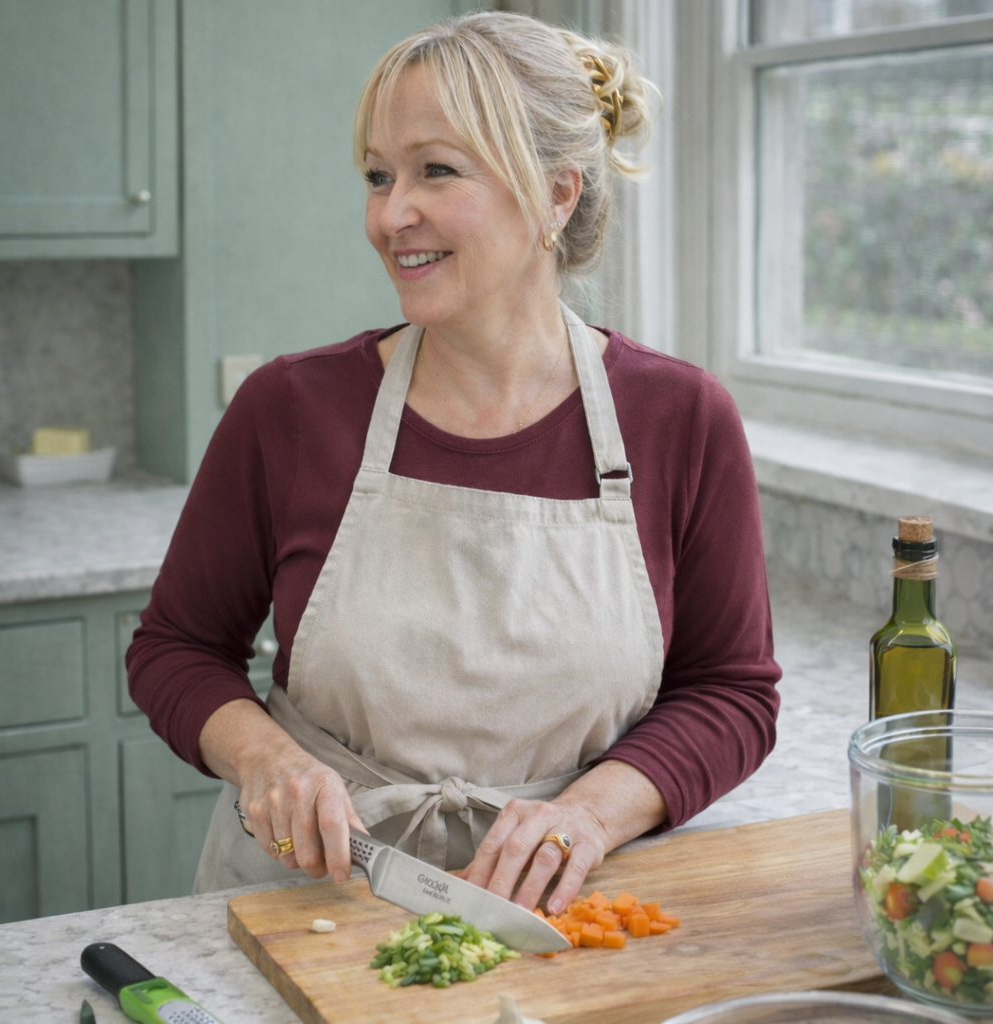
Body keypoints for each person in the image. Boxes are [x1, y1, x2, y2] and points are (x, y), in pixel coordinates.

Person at [126, 10, 781, 917]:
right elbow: (175, 650)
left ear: (557, 193)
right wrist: (265, 757)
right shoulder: (291, 408)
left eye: (437, 170)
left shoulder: (680, 417)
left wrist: (588, 815)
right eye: (378, 175)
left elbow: (732, 693)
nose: (393, 215)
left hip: (562, 906)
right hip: (315, 897)